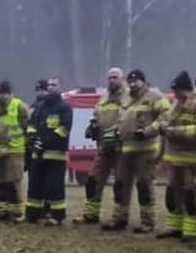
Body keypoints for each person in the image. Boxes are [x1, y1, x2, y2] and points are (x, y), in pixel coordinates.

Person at [107, 69, 167, 233]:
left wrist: (148, 131)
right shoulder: (126, 98)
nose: (133, 84)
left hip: (146, 149)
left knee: (144, 186)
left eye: (136, 81)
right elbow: (121, 119)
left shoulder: (155, 96)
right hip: (125, 149)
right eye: (130, 82)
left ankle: (148, 222)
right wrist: (116, 131)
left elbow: (165, 117)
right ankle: (119, 218)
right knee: (120, 185)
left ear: (143, 82)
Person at [159, 72, 196, 242]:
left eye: (176, 90)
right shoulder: (177, 103)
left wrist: (175, 132)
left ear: (184, 89)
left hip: (193, 160)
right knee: (172, 194)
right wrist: (163, 126)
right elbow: (167, 119)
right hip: (176, 158)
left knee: (191, 195)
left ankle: (192, 232)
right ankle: (175, 227)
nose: (174, 94)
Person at [81, 68, 125, 225]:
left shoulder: (128, 98)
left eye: (115, 77)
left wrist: (117, 133)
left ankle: (119, 217)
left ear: (122, 79)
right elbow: (97, 115)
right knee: (93, 180)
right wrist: (93, 126)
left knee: (120, 185)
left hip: (121, 149)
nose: (112, 80)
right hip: (102, 148)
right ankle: (90, 214)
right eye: (109, 77)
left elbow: (129, 120)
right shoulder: (103, 98)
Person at [25, 79, 72, 224]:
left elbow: (64, 129)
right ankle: (32, 214)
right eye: (49, 85)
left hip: (55, 156)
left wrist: (45, 142)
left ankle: (56, 216)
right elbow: (31, 125)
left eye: (54, 85)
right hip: (37, 155)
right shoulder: (39, 107)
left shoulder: (64, 108)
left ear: (60, 87)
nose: (50, 88)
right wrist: (32, 140)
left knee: (54, 187)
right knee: (35, 186)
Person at [0, 80, 29, 222]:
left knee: (13, 182)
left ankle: (17, 212)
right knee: (1, 182)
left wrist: (28, 147)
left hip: (14, 150)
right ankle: (4, 211)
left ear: (8, 94)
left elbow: (28, 127)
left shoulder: (19, 106)